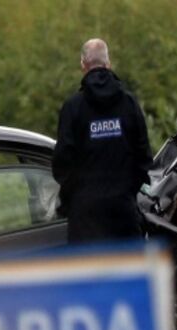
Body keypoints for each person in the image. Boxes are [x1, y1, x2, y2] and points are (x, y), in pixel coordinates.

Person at [52, 38, 152, 243]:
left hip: (85, 219)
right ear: (108, 63)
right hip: (124, 214)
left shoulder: (72, 107)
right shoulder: (129, 103)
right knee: (128, 265)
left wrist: (76, 197)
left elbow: (62, 163)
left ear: (83, 65)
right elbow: (144, 157)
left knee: (91, 266)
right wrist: (127, 191)